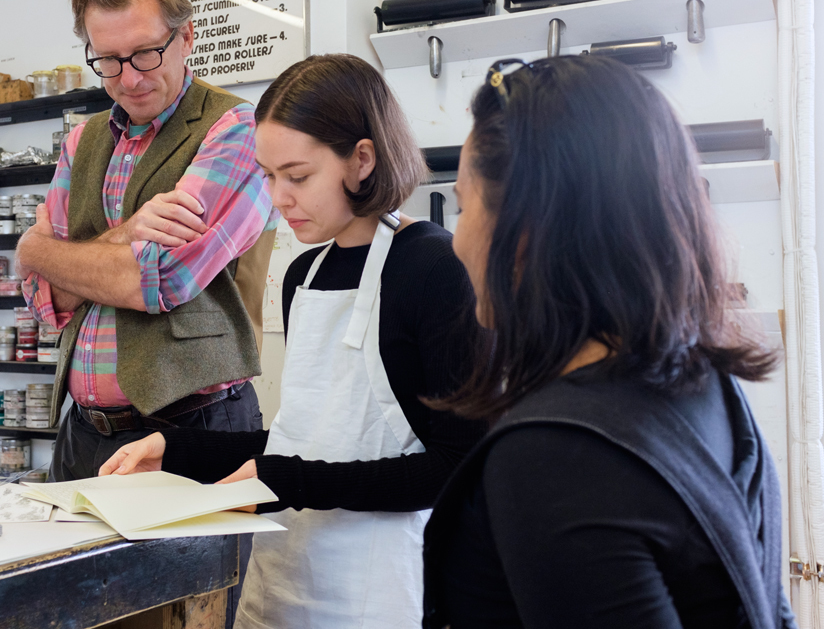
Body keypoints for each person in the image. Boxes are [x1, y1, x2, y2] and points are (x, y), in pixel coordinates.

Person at [99, 53, 486, 629]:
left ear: (361, 159)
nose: (279, 198)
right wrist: (175, 451)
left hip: (380, 590)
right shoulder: (302, 276)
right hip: (285, 577)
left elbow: (457, 467)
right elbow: (303, 440)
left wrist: (285, 482)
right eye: (269, 175)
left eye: (298, 176)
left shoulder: (435, 269)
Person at [422, 55, 797, 629]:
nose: (454, 241)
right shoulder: (707, 385)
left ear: (525, 236)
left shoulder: (553, 457)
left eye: (466, 207)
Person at [13, 0, 276, 484]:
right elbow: (42, 299)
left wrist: (40, 250)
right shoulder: (81, 142)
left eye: (145, 53)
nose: (128, 78)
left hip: (193, 431)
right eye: (107, 60)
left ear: (186, 38)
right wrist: (126, 233)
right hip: (81, 434)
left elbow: (158, 281)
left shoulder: (236, 130)